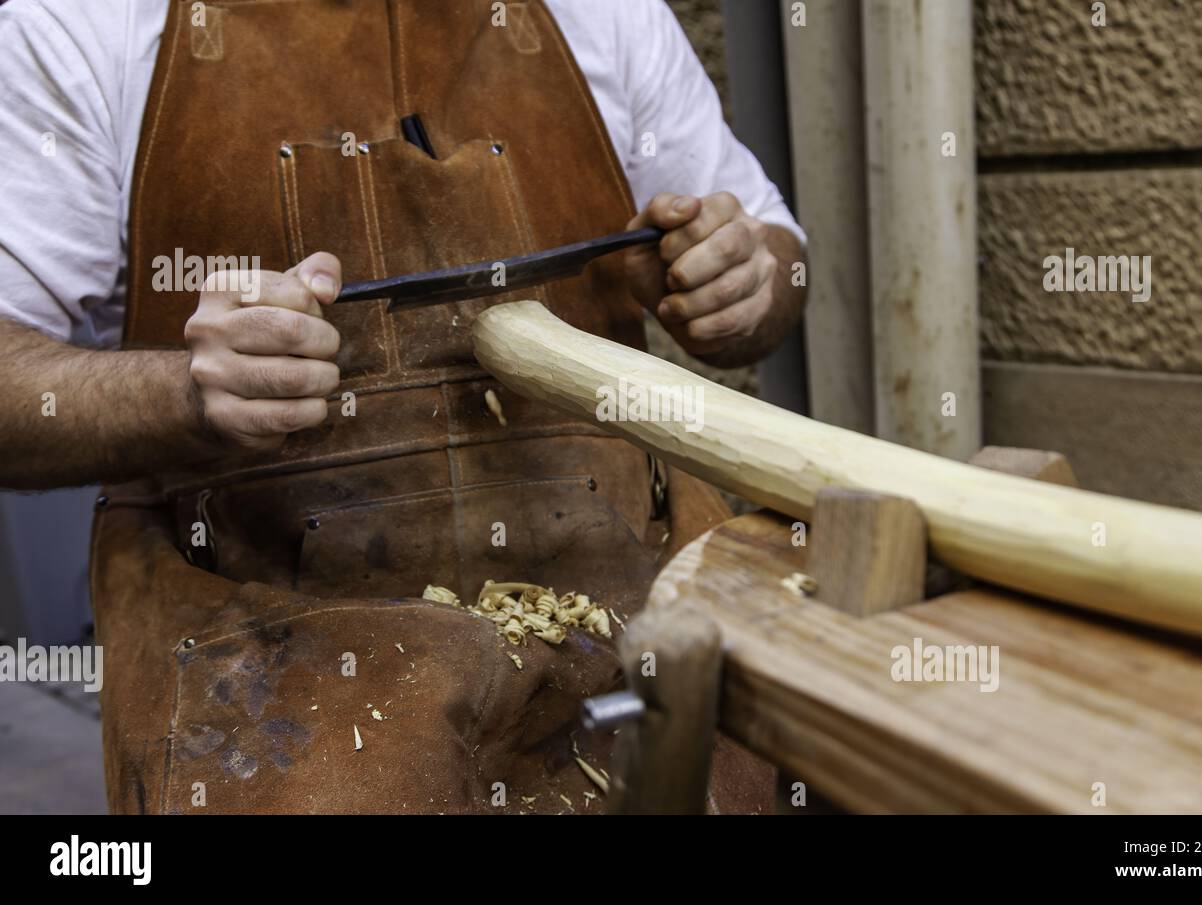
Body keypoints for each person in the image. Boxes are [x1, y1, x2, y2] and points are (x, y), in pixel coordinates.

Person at [0, 0, 807, 813]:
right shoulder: (86, 24)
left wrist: (742, 279)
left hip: (628, 605)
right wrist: (184, 394)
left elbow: (774, 254)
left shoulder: (603, 14)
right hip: (280, 654)